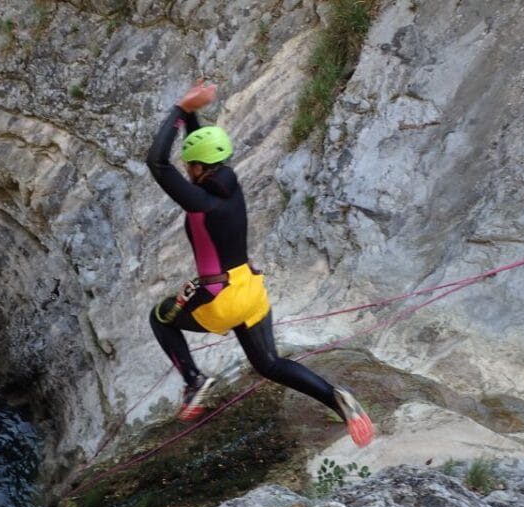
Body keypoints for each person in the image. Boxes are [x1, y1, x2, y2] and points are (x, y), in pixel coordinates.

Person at [145, 79, 374, 448]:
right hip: (250, 289)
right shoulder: (227, 185)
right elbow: (202, 146)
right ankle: (335, 397)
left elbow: (156, 162)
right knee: (269, 364)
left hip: (218, 297)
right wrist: (191, 115)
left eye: (190, 165)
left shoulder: (200, 202)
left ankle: (193, 381)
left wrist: (178, 109)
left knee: (159, 316)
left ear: (198, 168)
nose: (186, 169)